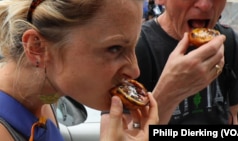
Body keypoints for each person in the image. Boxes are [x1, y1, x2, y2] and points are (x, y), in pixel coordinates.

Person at [0, 0, 159, 141]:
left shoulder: (45, 100)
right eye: (114, 48)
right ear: (37, 48)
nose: (135, 71)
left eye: (133, 48)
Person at [134, 0, 238, 124]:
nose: (205, 6)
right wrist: (169, 91)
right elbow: (128, 133)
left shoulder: (231, 43)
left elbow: (232, 116)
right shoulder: (135, 51)